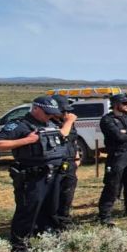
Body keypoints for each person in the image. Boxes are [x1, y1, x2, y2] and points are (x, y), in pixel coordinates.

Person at [0, 96, 70, 252]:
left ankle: (45, 243)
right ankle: (19, 250)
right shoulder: (20, 125)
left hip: (53, 175)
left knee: (50, 210)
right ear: (36, 109)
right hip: (32, 176)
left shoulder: (50, 123)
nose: (49, 116)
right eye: (47, 113)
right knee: (27, 212)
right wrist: (27, 140)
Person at [97, 94, 127, 224]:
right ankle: (105, 215)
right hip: (117, 155)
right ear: (116, 104)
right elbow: (118, 137)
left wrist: (126, 132)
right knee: (113, 185)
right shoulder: (107, 120)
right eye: (124, 103)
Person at [49, 95, 81, 228]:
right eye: (63, 111)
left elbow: (73, 140)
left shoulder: (68, 122)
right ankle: (53, 224)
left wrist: (77, 156)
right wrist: (68, 122)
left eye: (67, 111)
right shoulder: (49, 124)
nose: (66, 114)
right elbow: (61, 135)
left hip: (70, 163)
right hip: (55, 164)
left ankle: (64, 220)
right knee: (54, 196)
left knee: (67, 194)